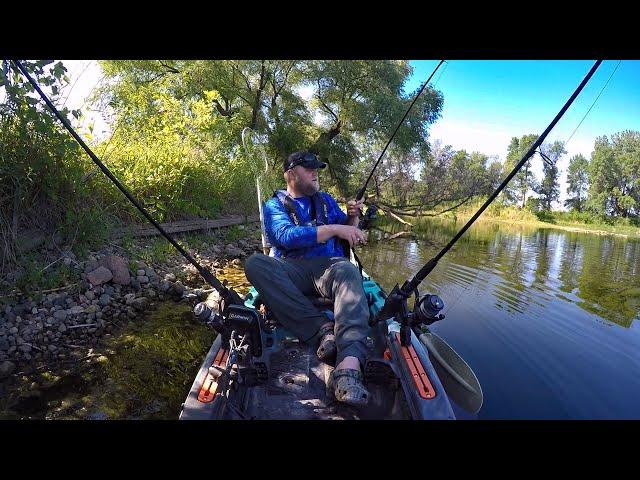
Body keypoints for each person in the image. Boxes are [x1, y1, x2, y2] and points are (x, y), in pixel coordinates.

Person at [244, 151, 370, 407]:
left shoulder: (326, 201)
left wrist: (352, 218)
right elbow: (286, 236)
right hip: (293, 269)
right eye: (309, 168)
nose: (316, 173)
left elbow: (348, 229)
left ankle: (348, 365)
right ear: (291, 175)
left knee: (348, 269)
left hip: (329, 269)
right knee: (255, 263)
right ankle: (321, 331)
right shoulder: (274, 206)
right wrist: (336, 229)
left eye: (317, 168)